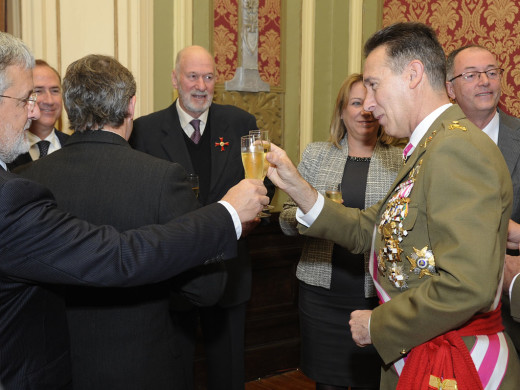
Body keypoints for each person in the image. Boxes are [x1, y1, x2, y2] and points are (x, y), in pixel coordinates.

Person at [0, 31, 267, 389]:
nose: (33, 109)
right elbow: (204, 288)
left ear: (71, 107)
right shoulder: (160, 178)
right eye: (26, 98)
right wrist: (226, 217)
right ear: (130, 107)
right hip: (143, 364)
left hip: (56, 364)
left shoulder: (26, 177)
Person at [265, 22, 520, 389]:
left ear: (413, 74)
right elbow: (370, 227)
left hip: (455, 363)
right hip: (428, 351)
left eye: (373, 84)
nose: (368, 103)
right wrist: (299, 188)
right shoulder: (432, 146)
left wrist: (378, 324)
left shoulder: (456, 150)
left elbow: (468, 285)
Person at [129, 45, 259, 390]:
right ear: (175, 79)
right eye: (192, 76)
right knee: (173, 372)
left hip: (228, 269)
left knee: (229, 373)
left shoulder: (242, 124)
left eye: (209, 76)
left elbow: (264, 183)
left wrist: (251, 216)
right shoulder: (144, 131)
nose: (201, 85)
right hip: (171, 275)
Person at [279, 73, 401, 390]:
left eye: (371, 104)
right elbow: (286, 216)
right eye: (356, 103)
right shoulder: (317, 155)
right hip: (322, 293)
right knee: (327, 383)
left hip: (378, 295)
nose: (364, 111)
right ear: (342, 111)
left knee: (372, 381)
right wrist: (312, 216)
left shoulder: (401, 158)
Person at [445, 44, 520, 352]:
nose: (485, 81)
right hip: (447, 308)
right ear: (450, 88)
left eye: (491, 73)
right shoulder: (432, 142)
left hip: (512, 309)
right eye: (472, 75)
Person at [8, 59, 68, 169]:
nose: (49, 101)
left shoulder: (74, 146)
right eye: (38, 91)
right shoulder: (6, 150)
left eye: (55, 90)